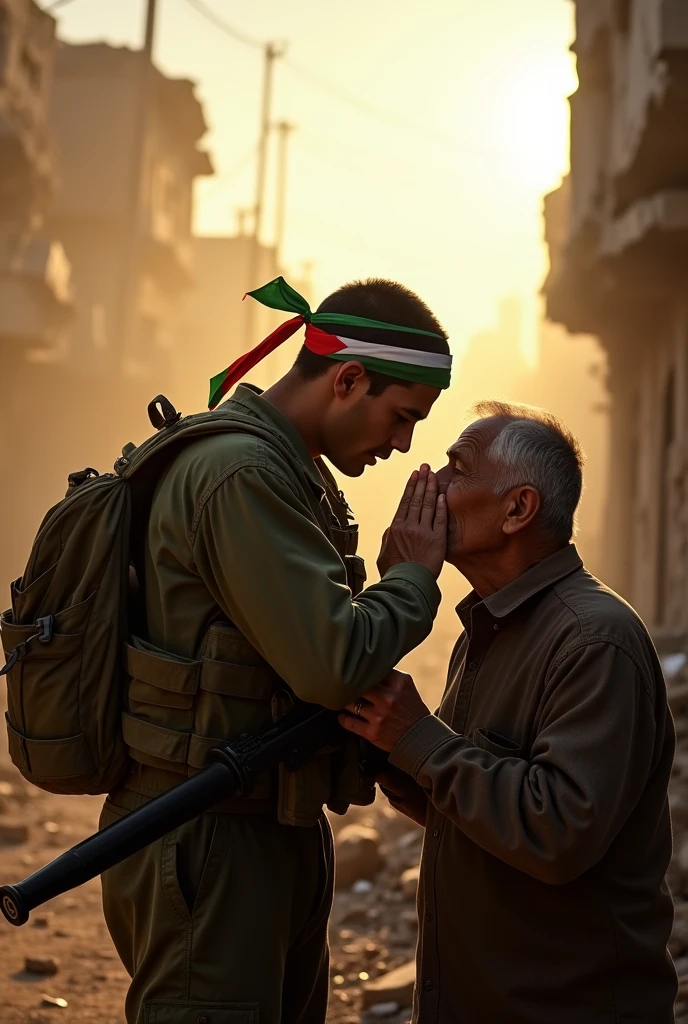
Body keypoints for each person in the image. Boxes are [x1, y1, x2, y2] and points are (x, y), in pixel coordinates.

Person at [99, 276, 452, 1024]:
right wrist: (415, 578)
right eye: (401, 417)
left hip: (262, 825)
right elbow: (333, 661)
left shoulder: (288, 473)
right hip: (208, 832)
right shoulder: (242, 474)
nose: (402, 443)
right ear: (348, 379)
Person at [342, 401, 677, 1024]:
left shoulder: (593, 639)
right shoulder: (488, 625)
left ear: (517, 509)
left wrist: (417, 736)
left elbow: (556, 832)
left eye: (457, 468)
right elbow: (461, 805)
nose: (431, 484)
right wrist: (388, 746)